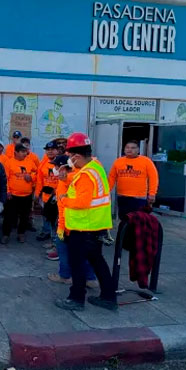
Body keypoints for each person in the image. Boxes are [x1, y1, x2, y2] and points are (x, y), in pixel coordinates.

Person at [55, 132, 117, 311]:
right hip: (95, 226)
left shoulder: (86, 175)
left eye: (70, 156)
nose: (69, 160)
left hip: (83, 228)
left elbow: (82, 202)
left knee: (77, 264)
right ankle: (108, 297)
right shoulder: (95, 167)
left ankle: (76, 299)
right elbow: (79, 182)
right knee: (97, 261)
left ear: (77, 156)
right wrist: (66, 178)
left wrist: (64, 199)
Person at [46, 155, 98, 288]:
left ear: (63, 167)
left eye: (56, 166)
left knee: (63, 250)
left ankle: (65, 276)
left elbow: (64, 206)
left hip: (69, 223)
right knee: (85, 252)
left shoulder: (69, 180)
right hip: (82, 222)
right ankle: (90, 278)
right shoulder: (77, 177)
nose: (54, 169)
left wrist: (61, 227)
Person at [109, 140, 159, 221]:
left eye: (133, 148)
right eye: (127, 147)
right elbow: (111, 178)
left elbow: (154, 178)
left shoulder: (146, 161)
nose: (129, 150)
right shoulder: (118, 161)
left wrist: (152, 193)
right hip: (122, 196)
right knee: (124, 219)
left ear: (138, 150)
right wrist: (106, 191)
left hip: (139, 198)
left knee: (138, 221)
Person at [2, 143, 37, 243]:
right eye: (22, 152)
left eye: (25, 151)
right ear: (16, 152)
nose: (25, 153)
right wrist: (7, 191)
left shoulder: (30, 162)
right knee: (9, 216)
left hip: (27, 195)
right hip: (12, 195)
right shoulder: (9, 162)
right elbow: (5, 178)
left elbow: (37, 172)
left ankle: (21, 234)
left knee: (24, 216)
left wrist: (31, 177)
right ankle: (6, 234)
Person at [35, 140, 61, 242]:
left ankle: (55, 238)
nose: (50, 151)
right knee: (45, 215)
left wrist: (57, 191)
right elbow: (39, 180)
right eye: (48, 150)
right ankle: (46, 232)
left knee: (56, 218)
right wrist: (37, 194)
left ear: (57, 150)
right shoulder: (43, 163)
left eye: (52, 149)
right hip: (46, 195)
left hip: (58, 197)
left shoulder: (62, 162)